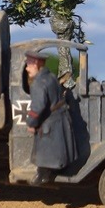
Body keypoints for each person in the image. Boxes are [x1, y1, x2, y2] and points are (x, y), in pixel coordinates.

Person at [25, 51, 78, 185]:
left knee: (45, 151)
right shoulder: (52, 77)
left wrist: (31, 123)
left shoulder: (38, 83)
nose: (27, 68)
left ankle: (43, 176)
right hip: (59, 118)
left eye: (29, 65)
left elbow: (38, 106)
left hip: (49, 123)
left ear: (36, 64)